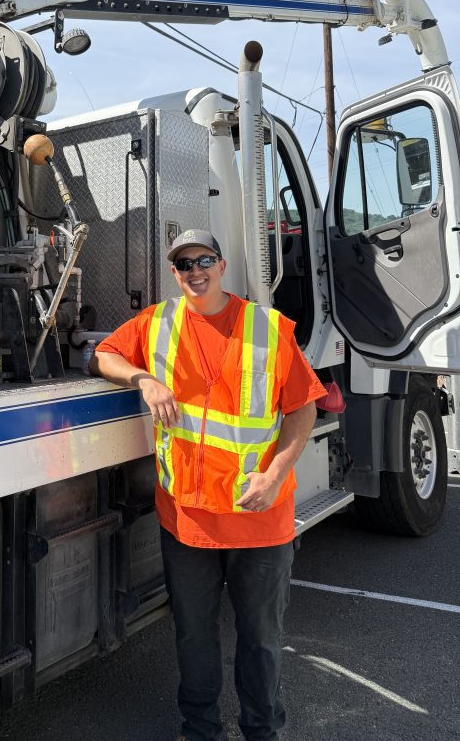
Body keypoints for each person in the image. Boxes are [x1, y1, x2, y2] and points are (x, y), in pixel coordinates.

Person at [90, 228, 326, 741]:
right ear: (174, 274)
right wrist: (142, 379)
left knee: (261, 640)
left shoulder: (267, 327)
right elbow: (104, 355)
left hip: (260, 521)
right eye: (183, 265)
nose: (194, 272)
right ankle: (200, 731)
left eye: (203, 261)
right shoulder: (157, 323)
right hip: (187, 520)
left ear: (221, 265)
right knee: (193, 638)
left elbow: (302, 407)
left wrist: (276, 473)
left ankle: (262, 731)